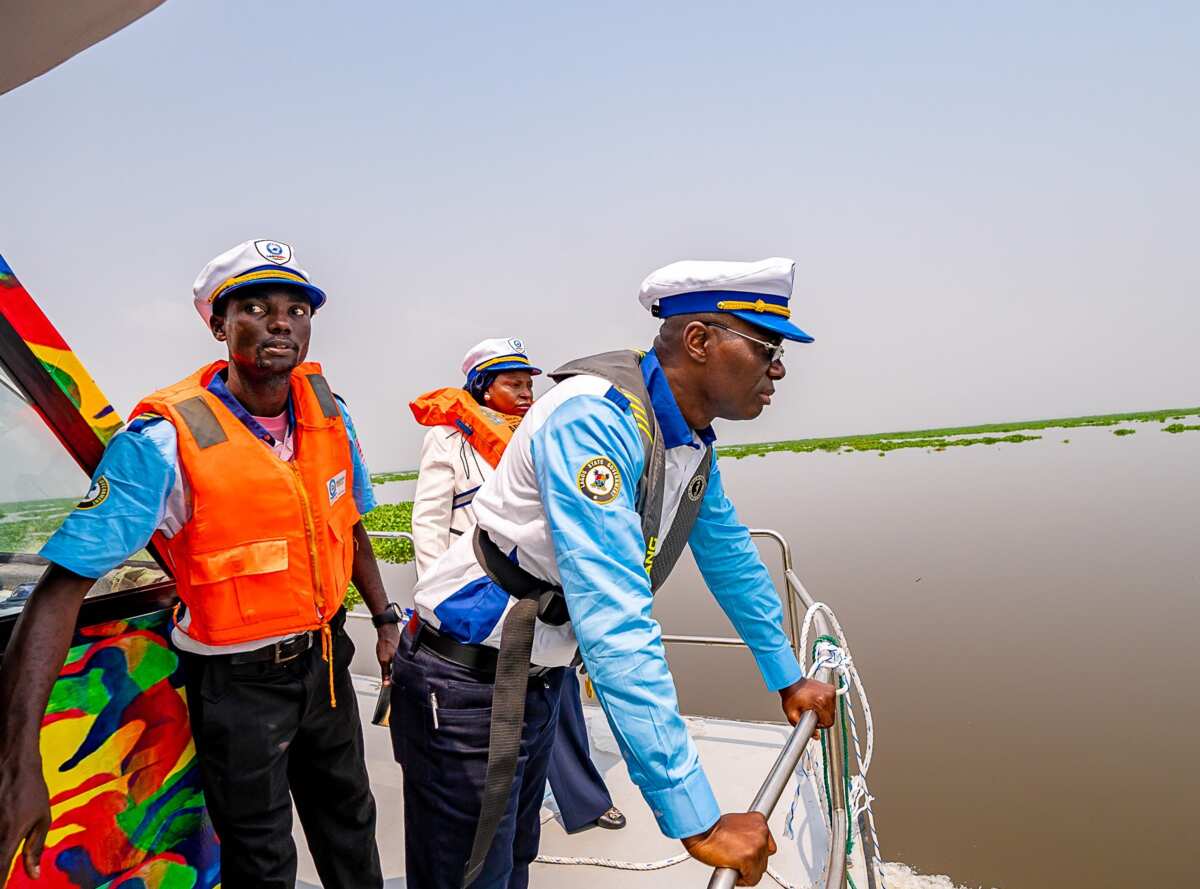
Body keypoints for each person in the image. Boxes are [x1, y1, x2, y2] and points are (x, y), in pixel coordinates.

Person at [392, 257, 837, 889]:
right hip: (465, 680)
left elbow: (729, 554)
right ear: (700, 342)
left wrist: (786, 675)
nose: (779, 367)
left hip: (534, 678)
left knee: (511, 862)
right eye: (765, 346)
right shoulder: (595, 420)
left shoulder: (682, 435)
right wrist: (698, 819)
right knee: (468, 877)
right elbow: (615, 619)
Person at [0, 239, 402, 889]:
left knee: (351, 825)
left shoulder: (331, 413)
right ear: (217, 324)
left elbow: (347, 521)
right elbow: (60, 589)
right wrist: (19, 761)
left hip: (327, 662)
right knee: (262, 856)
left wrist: (384, 618)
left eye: (297, 309)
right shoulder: (163, 440)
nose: (281, 321)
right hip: (239, 685)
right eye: (256, 306)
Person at [409, 338, 626, 833]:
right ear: (483, 388)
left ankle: (584, 801)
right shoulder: (448, 440)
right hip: (479, 594)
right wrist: (437, 605)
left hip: (542, 592)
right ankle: (497, 810)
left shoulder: (543, 431)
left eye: (529, 383)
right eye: (514, 383)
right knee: (496, 711)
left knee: (559, 693)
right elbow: (428, 523)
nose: (527, 392)